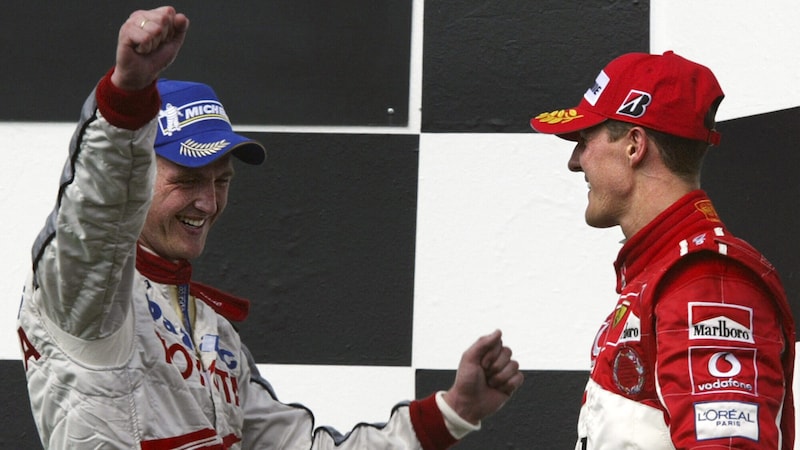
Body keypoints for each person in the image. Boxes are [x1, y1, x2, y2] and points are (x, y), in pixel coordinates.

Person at [16, 6, 523, 449]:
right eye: (188, 178)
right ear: (136, 175)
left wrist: (454, 412)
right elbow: (96, 218)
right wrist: (127, 98)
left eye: (222, 180)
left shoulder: (212, 333)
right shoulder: (85, 297)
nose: (208, 202)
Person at [530, 51, 795, 449]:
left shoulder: (705, 280)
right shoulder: (664, 274)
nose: (573, 161)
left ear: (634, 146)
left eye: (584, 140)